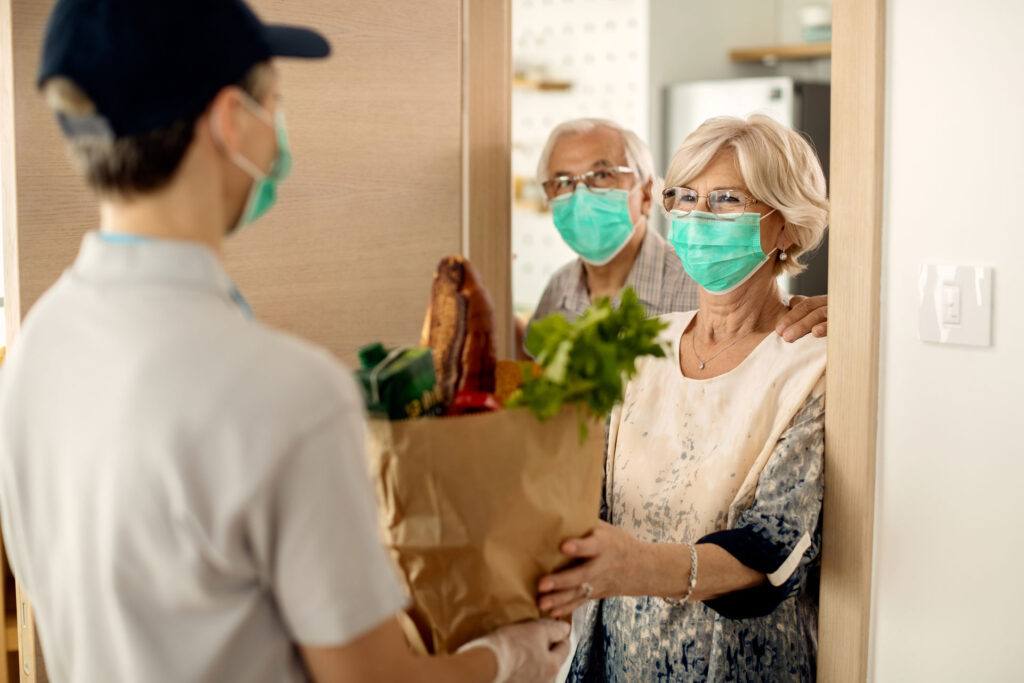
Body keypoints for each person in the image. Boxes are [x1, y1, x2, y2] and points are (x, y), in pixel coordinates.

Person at [0, 2, 568, 681]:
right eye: (273, 102)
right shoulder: (288, 393)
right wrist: (508, 658)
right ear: (228, 120)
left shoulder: (39, 346)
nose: (278, 129)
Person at [536, 114, 830, 681]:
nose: (697, 217)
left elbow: (775, 546)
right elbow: (583, 494)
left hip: (738, 663)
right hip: (615, 656)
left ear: (788, 225)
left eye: (726, 200)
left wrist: (636, 565)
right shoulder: (638, 346)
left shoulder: (809, 365)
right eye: (685, 197)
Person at [522, 118, 828, 350]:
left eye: (729, 199)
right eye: (686, 198)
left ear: (644, 195)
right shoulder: (558, 290)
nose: (581, 197)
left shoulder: (700, 286)